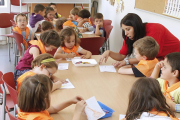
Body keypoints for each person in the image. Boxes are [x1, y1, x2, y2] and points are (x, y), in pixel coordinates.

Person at [99, 13, 180, 67]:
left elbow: (149, 57)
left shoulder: (155, 29)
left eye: (128, 29)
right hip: (161, 62)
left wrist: (127, 62)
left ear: (136, 26)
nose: (126, 33)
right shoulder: (129, 35)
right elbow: (121, 55)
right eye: (124, 30)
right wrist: (108, 52)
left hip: (175, 58)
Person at [18, 74, 86, 120]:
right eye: (49, 93)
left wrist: (70, 101)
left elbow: (53, 109)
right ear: (44, 100)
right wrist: (77, 112)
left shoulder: (30, 107)